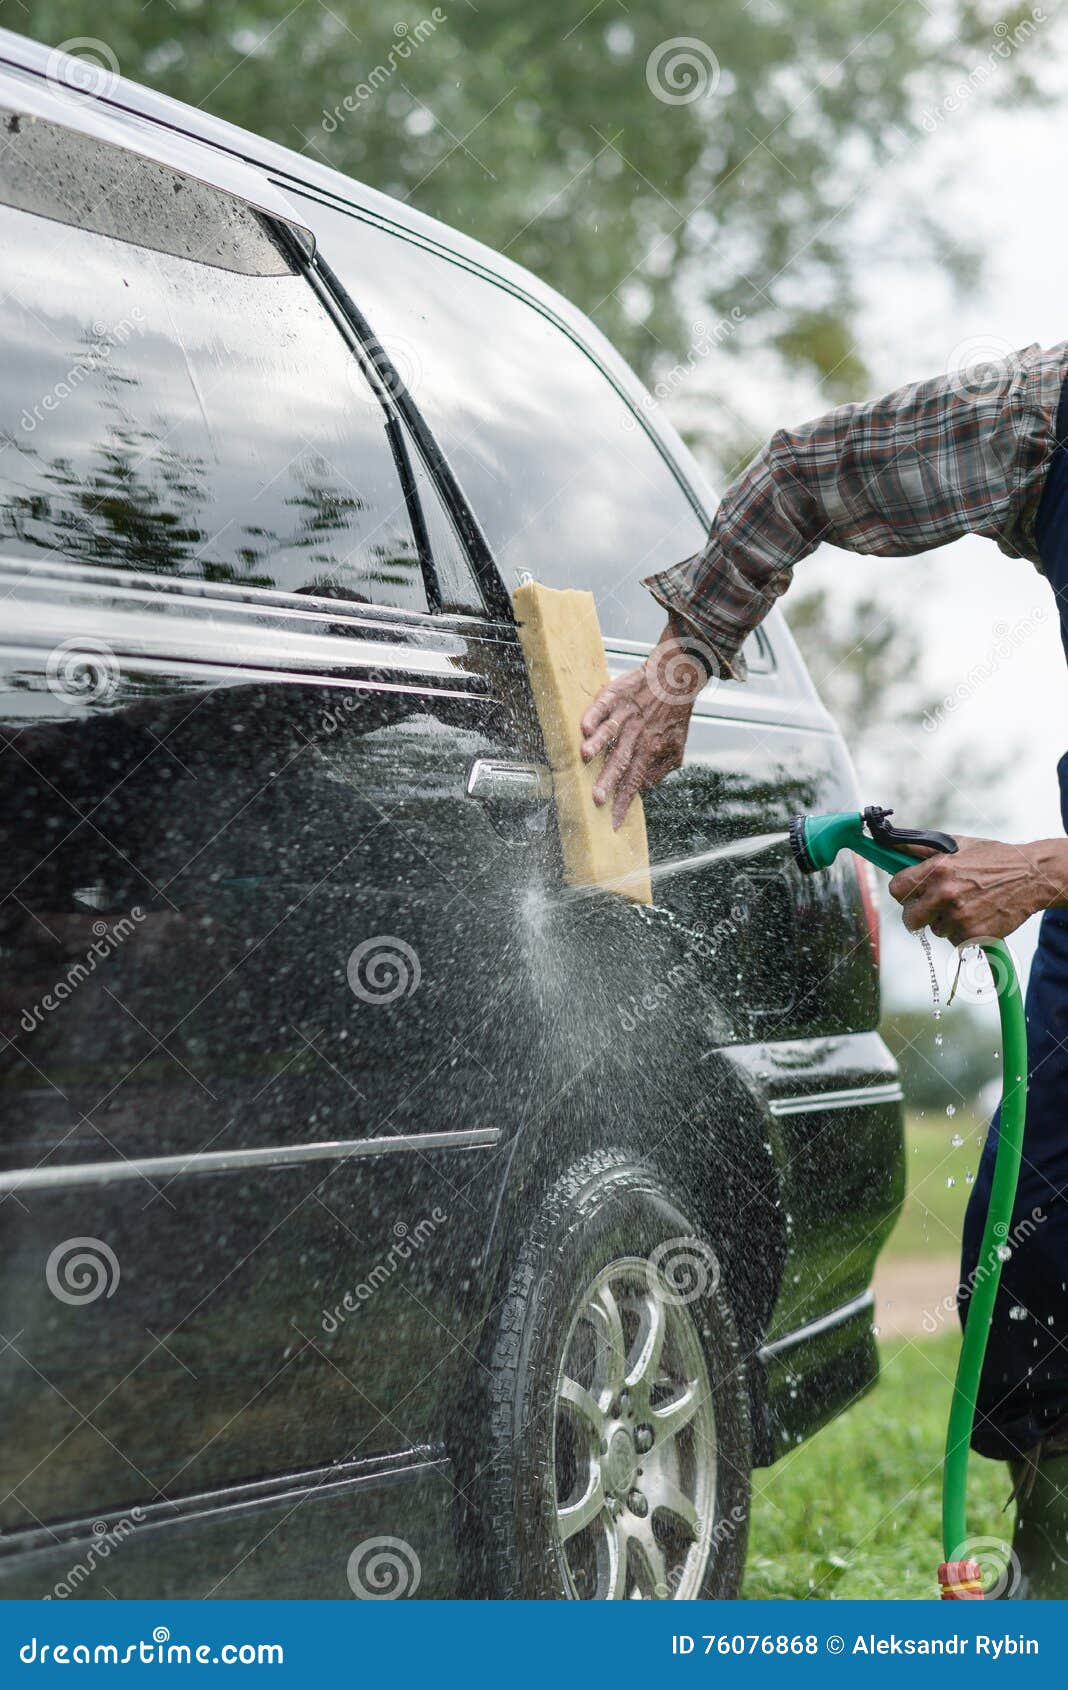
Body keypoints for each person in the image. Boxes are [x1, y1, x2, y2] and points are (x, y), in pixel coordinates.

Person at [580, 343, 1068, 1597]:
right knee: (1037, 1248)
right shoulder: (1042, 419)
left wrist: (1048, 870)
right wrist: (682, 660)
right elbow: (805, 475)